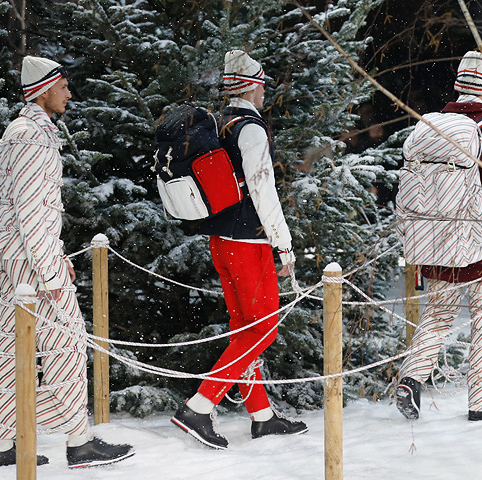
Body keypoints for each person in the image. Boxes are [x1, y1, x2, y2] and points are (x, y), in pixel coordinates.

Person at [0, 55, 134, 469]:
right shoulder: (30, 134)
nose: (69, 93)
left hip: (24, 255)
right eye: (63, 85)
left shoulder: (27, 130)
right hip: (32, 262)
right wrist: (50, 270)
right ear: (43, 90)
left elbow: (25, 207)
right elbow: (33, 209)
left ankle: (1, 443)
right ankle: (79, 441)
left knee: (14, 350)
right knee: (66, 343)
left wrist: (57, 255)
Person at [171, 50, 307, 449]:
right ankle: (198, 407)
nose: (265, 94)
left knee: (243, 329)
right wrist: (284, 245)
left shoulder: (221, 124)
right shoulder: (251, 128)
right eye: (263, 86)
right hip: (250, 242)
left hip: (222, 239)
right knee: (261, 330)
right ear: (253, 85)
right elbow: (263, 190)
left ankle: (261, 415)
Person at [396, 51, 482, 421]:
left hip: (436, 242)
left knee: (438, 315)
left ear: (457, 87)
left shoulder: (431, 128)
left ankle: (411, 379)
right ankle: (481, 405)